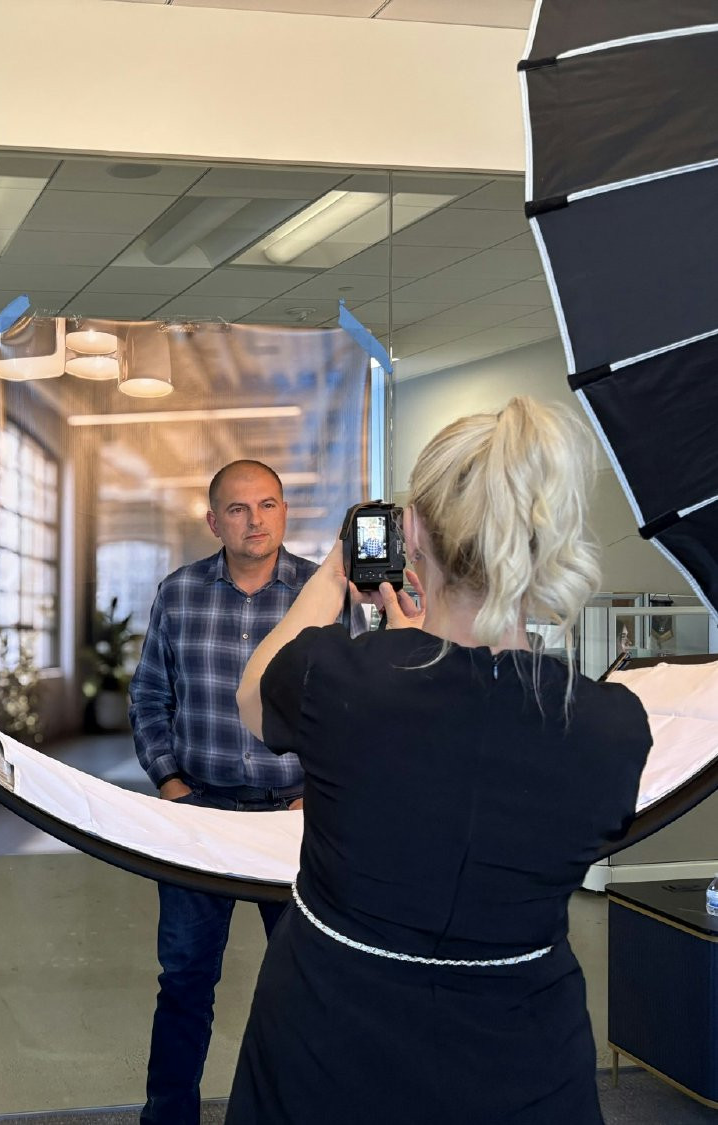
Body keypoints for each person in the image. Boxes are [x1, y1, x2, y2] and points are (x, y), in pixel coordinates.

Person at [228, 397, 652, 1124]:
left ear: (412, 532)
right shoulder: (610, 726)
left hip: (326, 1049)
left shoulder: (345, 681)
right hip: (522, 1065)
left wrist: (332, 581)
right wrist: (413, 647)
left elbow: (252, 696)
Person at [128, 459, 313, 1125]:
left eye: (267, 504)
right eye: (238, 508)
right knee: (184, 982)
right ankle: (169, 1116)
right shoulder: (178, 594)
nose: (255, 519)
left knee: (305, 991)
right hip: (198, 815)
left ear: (284, 511)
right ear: (213, 521)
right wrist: (173, 786)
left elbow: (355, 707)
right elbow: (148, 696)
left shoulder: (321, 597)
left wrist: (317, 793)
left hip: (291, 823)